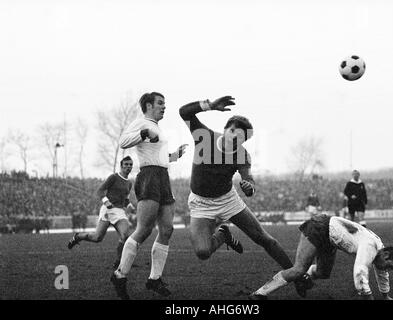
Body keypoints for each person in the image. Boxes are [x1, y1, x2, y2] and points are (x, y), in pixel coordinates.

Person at [179, 95, 309, 297]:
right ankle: (223, 235)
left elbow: (249, 180)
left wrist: (249, 188)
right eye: (231, 131)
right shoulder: (204, 136)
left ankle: (297, 276)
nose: (233, 137)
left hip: (227, 200)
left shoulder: (242, 155)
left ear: (243, 141)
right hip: (201, 203)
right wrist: (209, 106)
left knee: (265, 239)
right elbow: (184, 112)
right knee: (203, 252)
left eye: (239, 137)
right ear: (225, 129)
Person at [110, 92, 187, 300]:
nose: (164, 107)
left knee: (167, 229)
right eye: (160, 103)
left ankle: (154, 279)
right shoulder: (141, 122)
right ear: (148, 105)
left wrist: (175, 155)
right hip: (150, 176)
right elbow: (123, 142)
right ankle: (120, 275)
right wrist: (143, 133)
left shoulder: (157, 127)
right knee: (143, 230)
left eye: (165, 103)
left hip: (163, 176)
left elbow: (159, 156)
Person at [249, 214, 393, 300]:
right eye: (389, 265)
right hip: (319, 227)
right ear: (385, 254)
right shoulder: (371, 247)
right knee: (298, 269)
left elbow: (382, 273)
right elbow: (360, 271)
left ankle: (302, 281)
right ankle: (259, 294)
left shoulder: (380, 249)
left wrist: (385, 296)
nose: (386, 269)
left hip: (330, 238)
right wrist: (368, 296)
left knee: (323, 273)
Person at [68, 156, 134, 269]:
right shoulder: (113, 177)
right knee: (97, 237)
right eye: (126, 164)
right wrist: (106, 201)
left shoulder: (129, 183)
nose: (128, 167)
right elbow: (100, 191)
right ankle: (78, 237)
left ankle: (119, 262)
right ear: (121, 165)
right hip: (107, 210)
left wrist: (129, 205)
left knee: (126, 236)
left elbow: (125, 199)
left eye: (130, 165)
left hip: (119, 212)